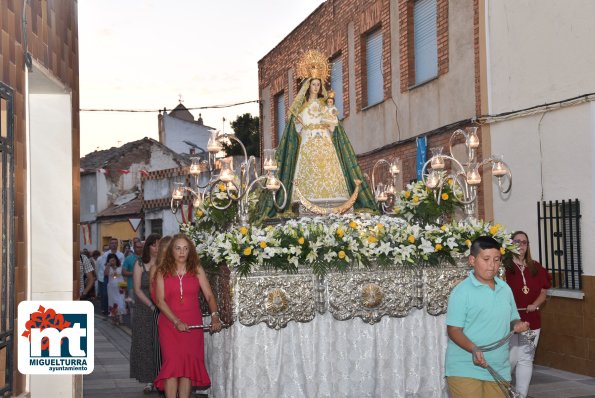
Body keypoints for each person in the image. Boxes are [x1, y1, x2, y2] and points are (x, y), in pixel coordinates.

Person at [256, 49, 376, 219]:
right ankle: (301, 198)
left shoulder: (325, 104)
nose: (316, 87)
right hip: (308, 143)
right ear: (308, 85)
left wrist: (330, 120)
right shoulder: (302, 107)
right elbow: (296, 131)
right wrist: (297, 122)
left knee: (330, 170)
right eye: (313, 84)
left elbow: (334, 125)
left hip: (325, 143)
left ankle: (336, 198)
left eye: (318, 84)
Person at [445, 236, 530, 398]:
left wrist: (518, 325)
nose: (492, 265)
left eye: (496, 260)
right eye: (486, 259)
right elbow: (454, 329)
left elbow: (513, 319)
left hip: (499, 367)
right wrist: (473, 348)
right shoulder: (461, 291)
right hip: (465, 367)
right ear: (472, 260)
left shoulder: (505, 288)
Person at [154, 234, 222, 397]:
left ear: (190, 251)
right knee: (172, 367)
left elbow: (210, 296)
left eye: (185, 248)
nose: (182, 252)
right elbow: (160, 301)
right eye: (178, 248)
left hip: (192, 324)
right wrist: (176, 321)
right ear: (171, 251)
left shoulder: (197, 269)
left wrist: (215, 316)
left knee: (187, 368)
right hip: (169, 324)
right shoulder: (162, 271)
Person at [504, 231, 550, 397]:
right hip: (509, 322)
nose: (521, 245)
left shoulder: (536, 267)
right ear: (510, 244)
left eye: (524, 242)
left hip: (531, 323)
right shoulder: (503, 267)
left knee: (526, 357)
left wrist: (535, 304)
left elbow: (543, 293)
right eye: (517, 241)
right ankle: (502, 392)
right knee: (510, 359)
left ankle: (521, 395)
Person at [130, 233, 160, 393]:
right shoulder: (140, 264)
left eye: (159, 245)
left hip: (161, 308)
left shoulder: (163, 264)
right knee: (145, 344)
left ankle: (160, 377)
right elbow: (136, 289)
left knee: (159, 344)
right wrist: (151, 305)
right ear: (148, 247)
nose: (157, 248)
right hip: (144, 309)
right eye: (154, 245)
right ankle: (149, 380)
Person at [150, 235, 173, 381]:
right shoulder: (155, 268)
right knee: (162, 353)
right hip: (161, 313)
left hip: (180, 313)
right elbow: (154, 295)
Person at [104, 253, 127, 325]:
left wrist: (125, 286)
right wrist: (108, 265)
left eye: (114, 260)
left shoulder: (120, 267)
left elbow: (124, 276)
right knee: (113, 302)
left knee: (121, 301)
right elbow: (106, 274)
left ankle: (121, 318)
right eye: (111, 260)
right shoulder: (108, 267)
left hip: (121, 285)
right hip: (112, 287)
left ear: (116, 260)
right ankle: (114, 318)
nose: (113, 261)